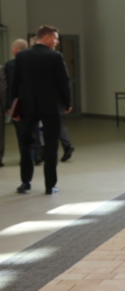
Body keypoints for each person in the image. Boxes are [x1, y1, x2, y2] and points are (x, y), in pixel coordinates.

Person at [10, 26, 72, 195]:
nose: (57, 42)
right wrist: (67, 103)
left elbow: (15, 83)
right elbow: (64, 82)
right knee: (51, 146)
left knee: (25, 144)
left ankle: (25, 182)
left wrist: (13, 107)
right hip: (51, 107)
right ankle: (50, 186)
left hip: (27, 107)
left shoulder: (22, 56)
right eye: (56, 38)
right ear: (47, 38)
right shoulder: (55, 56)